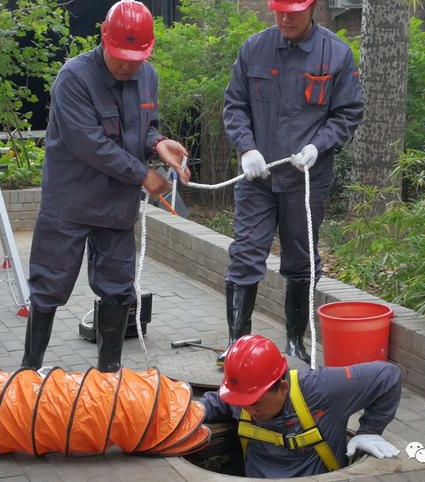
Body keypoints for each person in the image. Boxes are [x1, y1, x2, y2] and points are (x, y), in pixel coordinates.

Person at [22, 0, 190, 373]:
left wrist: (159, 143)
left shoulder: (148, 76)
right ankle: (29, 370)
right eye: (121, 57)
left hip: (116, 204)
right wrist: (144, 175)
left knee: (117, 286)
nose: (128, 66)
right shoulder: (74, 78)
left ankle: (108, 373)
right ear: (103, 37)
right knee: (49, 284)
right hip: (70, 201)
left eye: (137, 58)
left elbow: (144, 127)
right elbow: (90, 144)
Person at [217, 0, 364, 366]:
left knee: (300, 262)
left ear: (311, 7)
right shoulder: (254, 49)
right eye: (279, 10)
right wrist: (246, 147)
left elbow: (348, 113)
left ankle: (295, 342)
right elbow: (235, 105)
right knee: (246, 255)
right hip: (258, 177)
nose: (285, 18)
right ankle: (238, 344)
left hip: (306, 179)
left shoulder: (336, 55)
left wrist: (320, 145)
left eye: (293, 12)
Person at [201, 335, 401, 478]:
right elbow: (208, 405)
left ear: (283, 388)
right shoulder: (241, 393)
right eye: (241, 403)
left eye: (256, 403)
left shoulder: (321, 389)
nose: (249, 411)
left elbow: (389, 376)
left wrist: (369, 430)